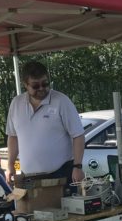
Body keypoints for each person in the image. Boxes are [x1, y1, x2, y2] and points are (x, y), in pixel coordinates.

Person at [5, 61, 85, 190]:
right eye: (35, 86)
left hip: (60, 174)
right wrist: (10, 165)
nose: (41, 88)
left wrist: (77, 166)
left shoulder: (61, 101)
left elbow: (78, 135)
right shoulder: (16, 104)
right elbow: (13, 137)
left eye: (45, 84)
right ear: (25, 84)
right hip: (29, 177)